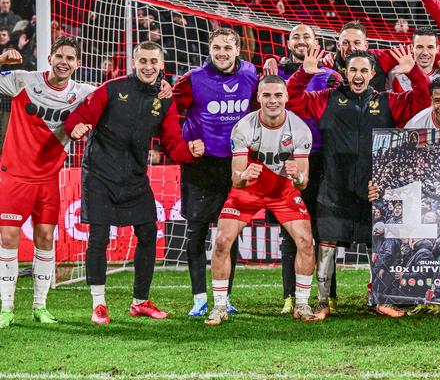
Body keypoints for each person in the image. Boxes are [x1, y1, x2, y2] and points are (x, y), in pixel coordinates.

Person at [65, 42, 205, 325]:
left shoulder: (165, 99)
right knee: (99, 238)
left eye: (154, 61)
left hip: (135, 177)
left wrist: (189, 153)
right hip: (100, 175)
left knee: (148, 234)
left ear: (161, 64)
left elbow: (171, 142)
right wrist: (75, 128)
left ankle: (140, 301)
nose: (148, 66)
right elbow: (79, 117)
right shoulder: (112, 88)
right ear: (133, 61)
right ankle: (99, 304)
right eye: (143, 61)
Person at [286, 45, 429, 318]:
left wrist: (415, 73)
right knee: (326, 246)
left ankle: (381, 298)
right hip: (334, 187)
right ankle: (323, 302)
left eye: (364, 70)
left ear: (373, 73)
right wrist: (304, 74)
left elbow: (423, 101)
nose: (359, 75)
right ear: (345, 72)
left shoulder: (389, 100)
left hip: (374, 190)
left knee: (378, 245)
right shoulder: (326, 98)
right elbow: (291, 100)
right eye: (353, 70)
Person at [205, 75, 317, 325]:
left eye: (278, 95)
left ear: (287, 97)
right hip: (249, 190)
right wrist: (244, 176)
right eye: (266, 95)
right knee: (222, 241)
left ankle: (302, 304)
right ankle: (220, 307)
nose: (272, 100)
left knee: (306, 242)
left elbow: (303, 181)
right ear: (258, 98)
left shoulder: (300, 130)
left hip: (283, 191)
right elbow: (236, 180)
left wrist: (297, 176)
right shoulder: (244, 127)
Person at [0, 41, 95, 328]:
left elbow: (115, 97)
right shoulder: (23, 81)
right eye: (59, 56)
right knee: (7, 239)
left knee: (44, 237)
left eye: (70, 58)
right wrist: (2, 59)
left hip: (49, 178)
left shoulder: (83, 94)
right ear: (50, 58)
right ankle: (6, 307)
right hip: (15, 175)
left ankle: (40, 306)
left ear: (77, 63)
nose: (63, 62)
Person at [172, 28, 258, 317]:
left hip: (235, 166)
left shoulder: (250, 74)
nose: (222, 52)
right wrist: (184, 144)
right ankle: (199, 298)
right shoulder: (192, 80)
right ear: (209, 49)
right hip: (201, 166)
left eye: (227, 47)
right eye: (217, 47)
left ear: (237, 50)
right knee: (196, 231)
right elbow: (168, 112)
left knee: (229, 234)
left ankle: (225, 297)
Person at [270, 24, 341, 316]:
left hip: (326, 159)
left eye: (307, 37)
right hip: (288, 158)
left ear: (317, 42)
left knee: (326, 229)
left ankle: (328, 296)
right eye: (296, 37)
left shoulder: (330, 76)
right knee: (292, 230)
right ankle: (290, 295)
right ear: (288, 43)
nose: (301, 41)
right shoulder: (277, 77)